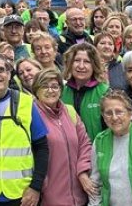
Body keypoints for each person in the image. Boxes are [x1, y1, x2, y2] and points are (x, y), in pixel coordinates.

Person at [0, 54, 50, 206]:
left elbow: (42, 148)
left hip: (22, 195)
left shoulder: (27, 103)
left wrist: (35, 188)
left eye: (0, 70)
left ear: (9, 74)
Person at [32, 69, 95, 206]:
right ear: (36, 90)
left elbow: (85, 144)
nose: (51, 90)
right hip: (48, 198)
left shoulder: (70, 111)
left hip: (79, 196)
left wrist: (82, 171)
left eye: (55, 86)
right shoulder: (31, 115)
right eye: (45, 86)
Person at [61, 43, 109, 141]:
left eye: (87, 62)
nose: (81, 66)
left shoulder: (104, 92)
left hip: (97, 151)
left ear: (94, 65)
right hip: (71, 151)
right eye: (77, 60)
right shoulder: (62, 92)